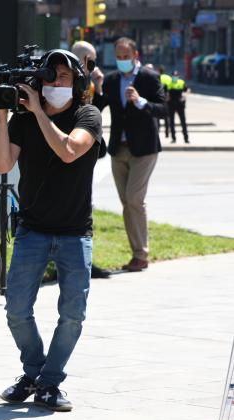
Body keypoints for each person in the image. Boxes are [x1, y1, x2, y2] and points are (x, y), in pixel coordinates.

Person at [0, 50, 103, 412]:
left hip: (74, 233)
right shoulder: (24, 122)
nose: (57, 83)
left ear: (78, 82)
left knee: (73, 314)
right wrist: (4, 116)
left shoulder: (87, 115)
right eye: (51, 76)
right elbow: (2, 163)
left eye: (64, 77)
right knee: (16, 310)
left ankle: (49, 381)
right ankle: (37, 374)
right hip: (33, 230)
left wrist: (39, 111)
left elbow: (70, 150)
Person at [92, 37, 167, 272]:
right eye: (119, 56)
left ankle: (141, 254)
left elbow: (163, 109)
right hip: (119, 149)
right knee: (127, 203)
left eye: (126, 56)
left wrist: (141, 101)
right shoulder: (113, 80)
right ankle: (137, 254)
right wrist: (98, 86)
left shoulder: (148, 77)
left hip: (144, 149)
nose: (122, 60)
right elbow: (96, 107)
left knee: (134, 199)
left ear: (136, 55)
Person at [70, 40, 113, 280]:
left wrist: (98, 84)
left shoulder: (89, 84)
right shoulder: (65, 80)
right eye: (90, 61)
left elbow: (98, 110)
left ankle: (84, 260)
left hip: (88, 148)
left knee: (86, 204)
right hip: (70, 147)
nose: (93, 66)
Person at [167, 70, 190, 144]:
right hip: (171, 104)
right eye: (174, 76)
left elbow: (187, 90)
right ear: (172, 76)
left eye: (176, 76)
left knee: (183, 122)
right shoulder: (169, 83)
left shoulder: (181, 82)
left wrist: (185, 96)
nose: (175, 77)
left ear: (178, 76)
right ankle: (173, 138)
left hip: (180, 104)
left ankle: (186, 138)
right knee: (172, 122)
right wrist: (167, 98)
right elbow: (165, 92)